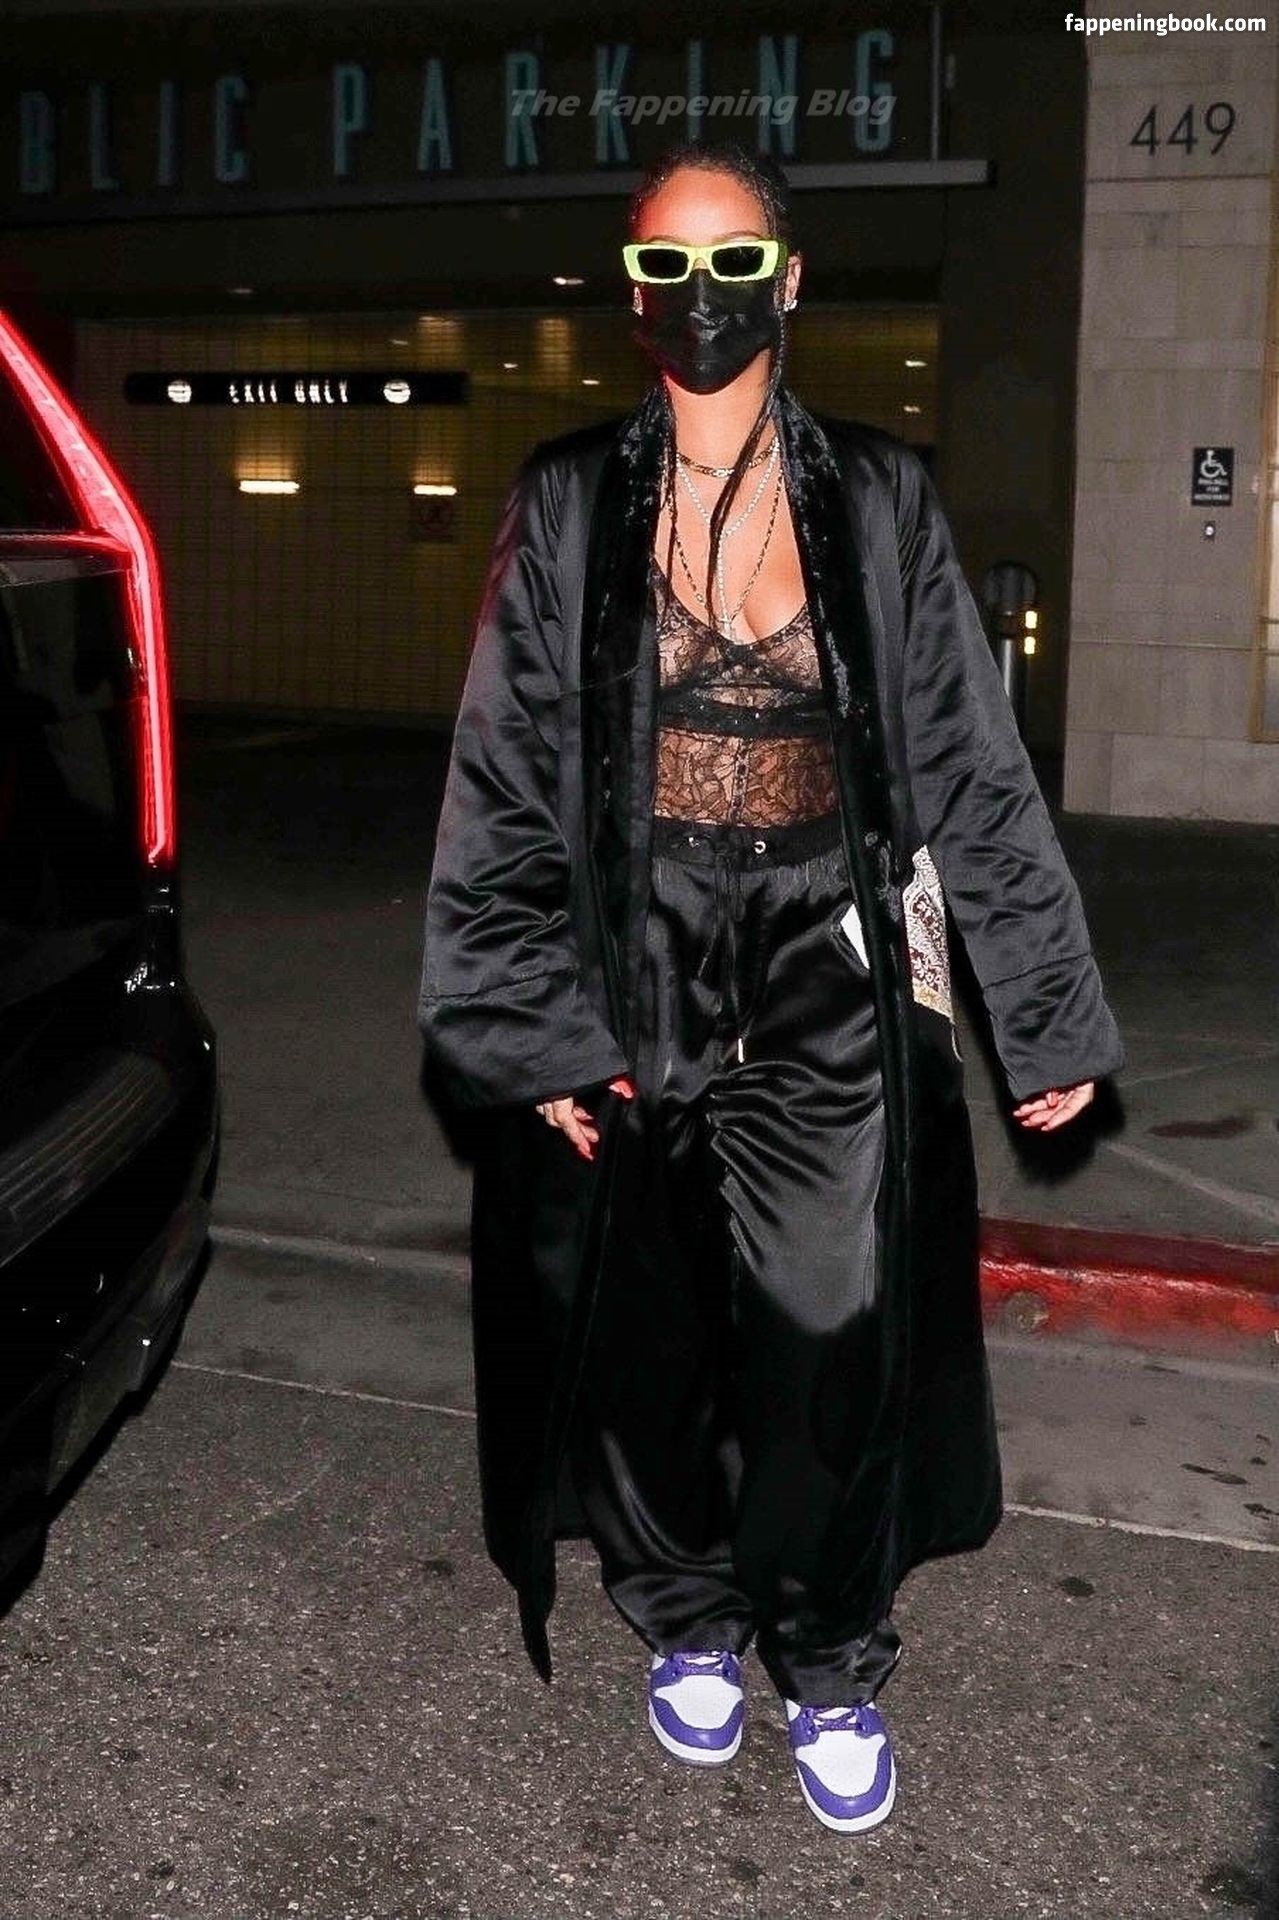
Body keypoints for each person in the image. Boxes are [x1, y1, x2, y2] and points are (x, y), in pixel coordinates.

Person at [417, 137, 1123, 1834]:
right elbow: (501, 779)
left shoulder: (877, 496)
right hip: (637, 949)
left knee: (829, 1328)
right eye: (668, 265)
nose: (703, 296)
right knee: (645, 1328)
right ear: (631, 290)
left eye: (735, 262)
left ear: (790, 281)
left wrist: (1042, 1002)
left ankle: (825, 1648)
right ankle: (686, 1614)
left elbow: (970, 764)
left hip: (824, 952)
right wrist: (532, 1029)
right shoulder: (570, 498)